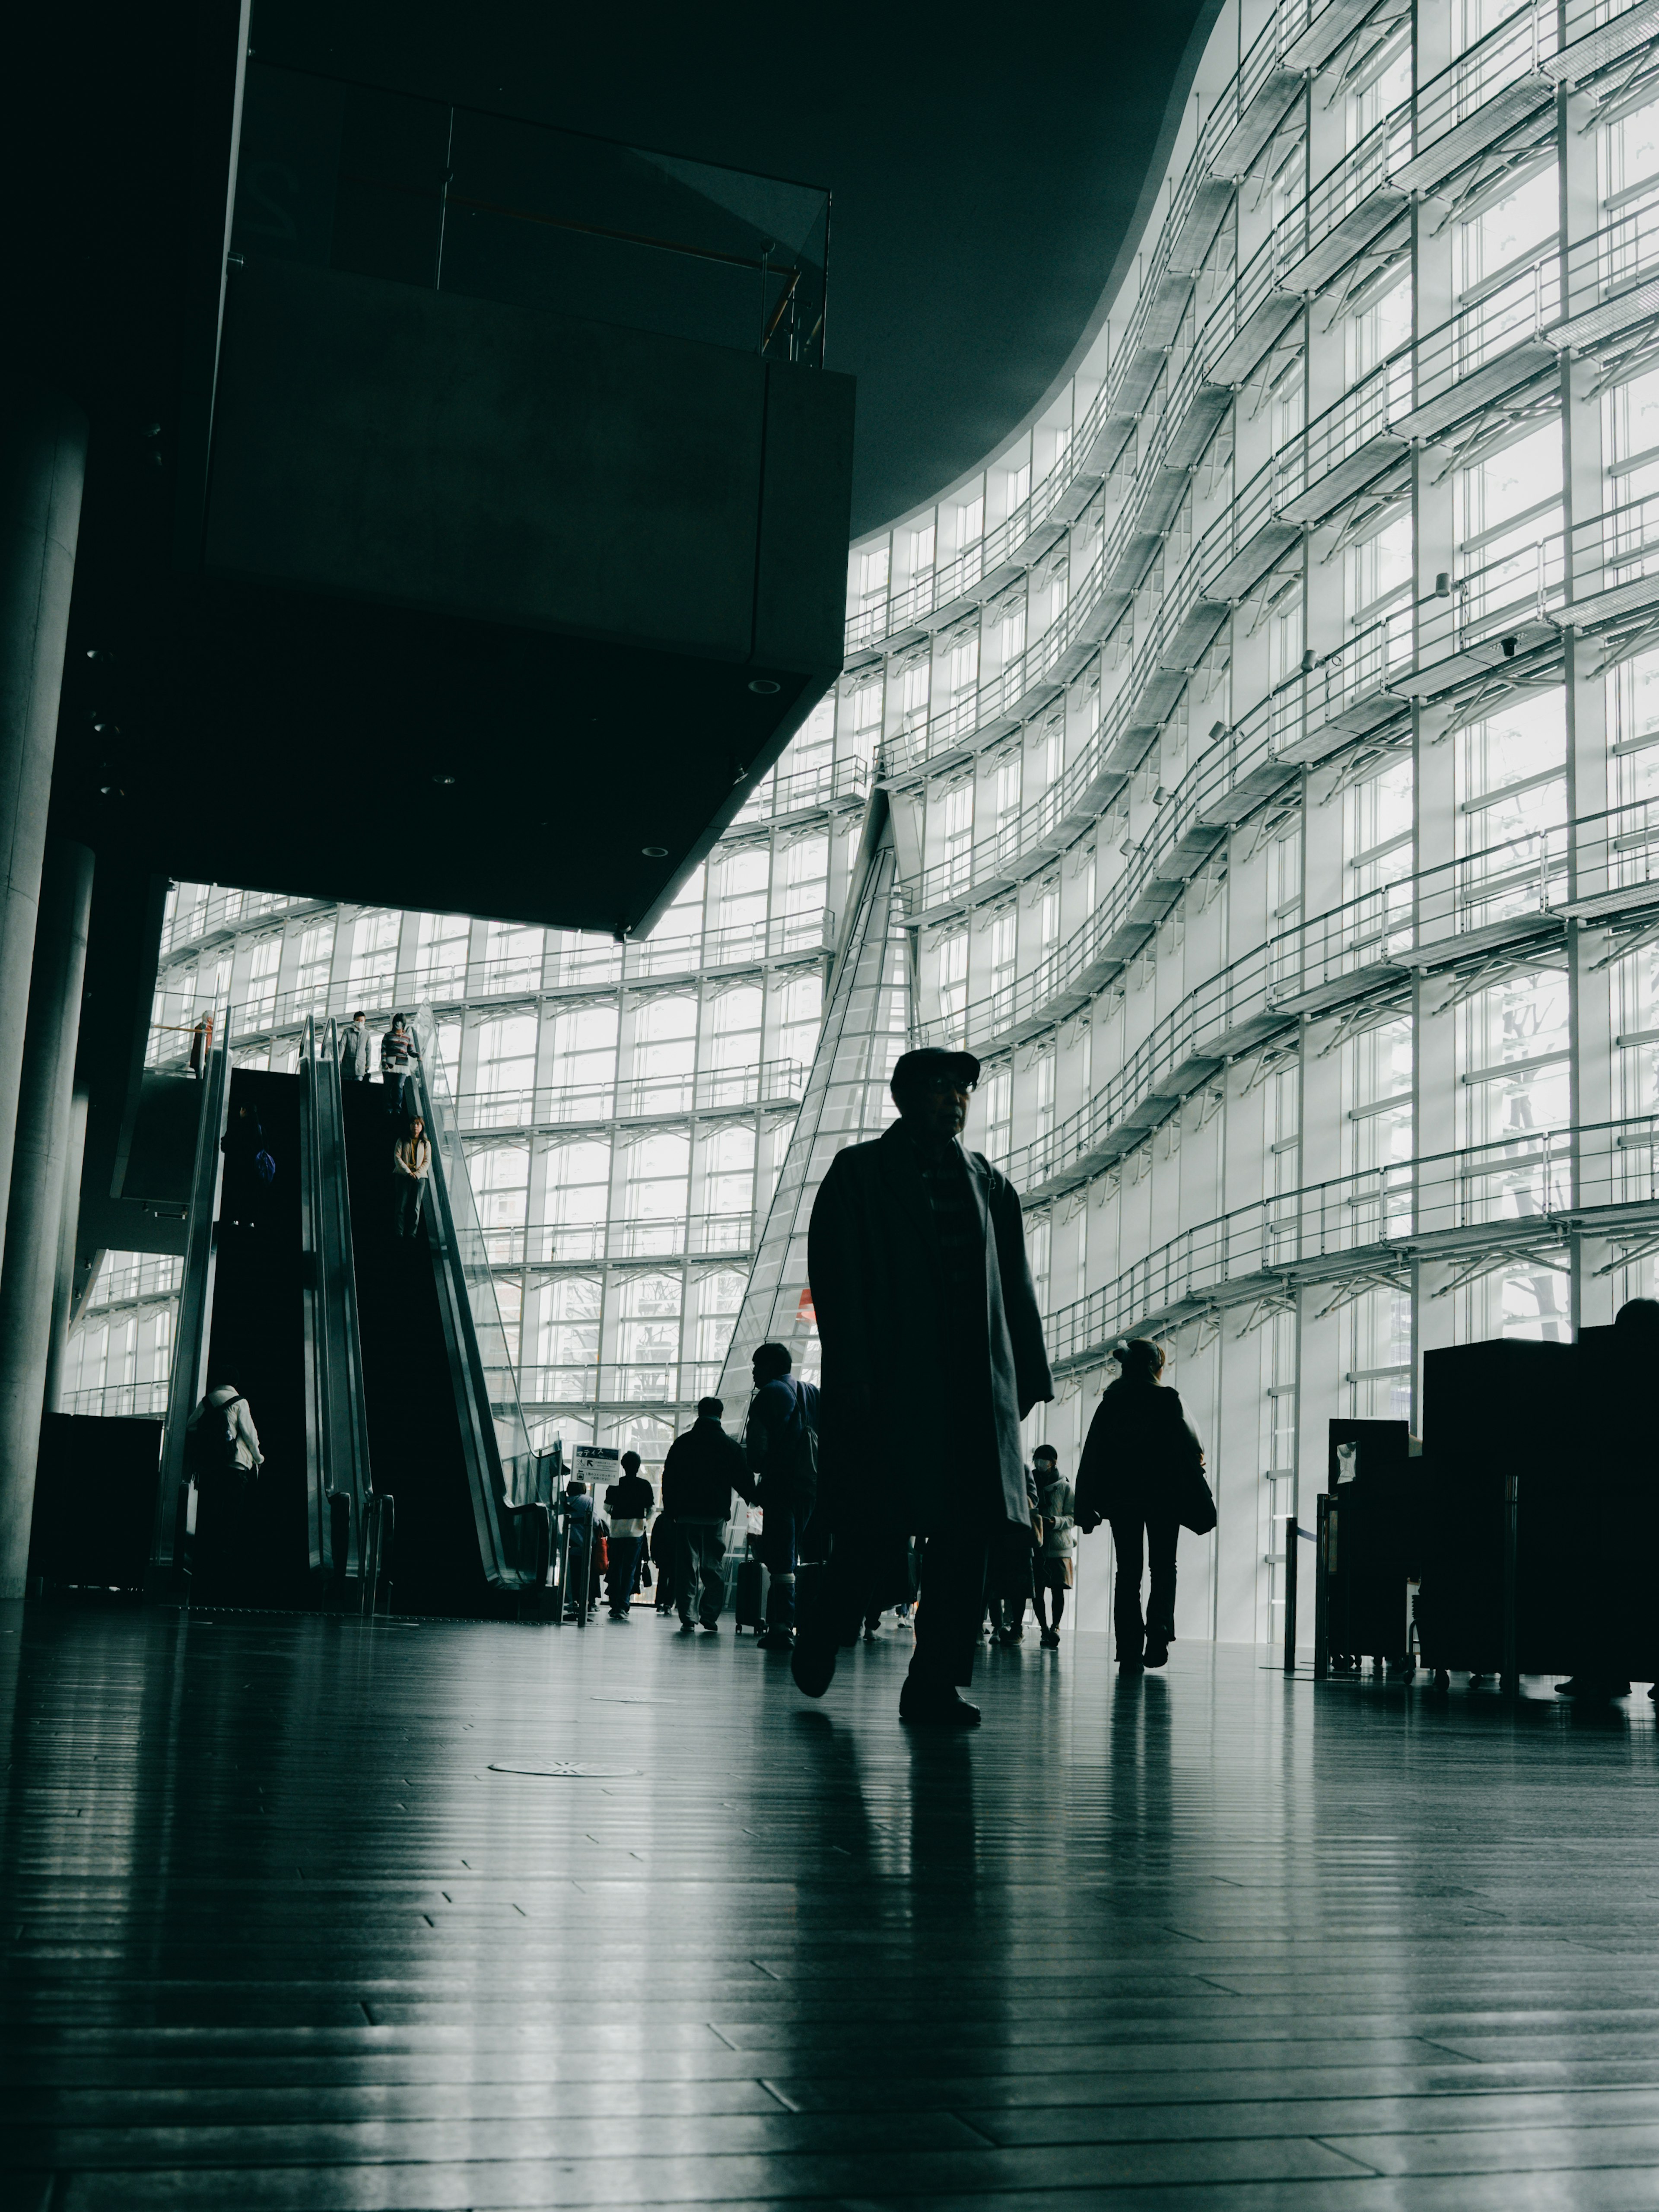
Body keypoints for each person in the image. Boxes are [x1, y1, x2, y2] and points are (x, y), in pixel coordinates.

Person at [793, 1044, 1054, 1728]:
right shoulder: (860, 1174)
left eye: (962, 1090)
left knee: (964, 1543)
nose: (955, 1099)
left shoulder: (990, 1185)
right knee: (870, 1529)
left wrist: (1024, 1378)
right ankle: (826, 1627)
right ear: (905, 1098)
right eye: (939, 1088)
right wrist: (850, 1371)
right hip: (893, 1383)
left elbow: (1015, 1291)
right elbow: (837, 1279)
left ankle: (933, 1682)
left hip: (972, 1392)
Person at [1075, 1338, 1202, 1672]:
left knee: (1128, 1573)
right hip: (1164, 1497)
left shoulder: (1111, 1402)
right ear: (1155, 1366)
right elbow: (1191, 1450)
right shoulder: (1167, 1399)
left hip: (1122, 1500)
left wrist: (1087, 1502)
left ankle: (1130, 1650)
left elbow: (1094, 1456)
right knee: (1164, 1567)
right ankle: (1159, 1630)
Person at [742, 1342, 819, 1653]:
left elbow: (758, 1454)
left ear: (772, 1367)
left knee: (780, 1558)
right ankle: (803, 1620)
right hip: (811, 1486)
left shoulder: (770, 1394)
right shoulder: (811, 1392)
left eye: (757, 1366)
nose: (753, 1373)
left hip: (780, 1487)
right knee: (800, 1554)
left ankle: (781, 1626)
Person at [661, 1397, 745, 1633]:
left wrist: (671, 1511)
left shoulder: (683, 1443)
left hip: (686, 1514)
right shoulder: (728, 1445)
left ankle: (688, 1616)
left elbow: (669, 1479)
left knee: (688, 1566)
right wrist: (755, 1500)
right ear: (721, 1414)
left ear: (699, 1413)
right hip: (716, 1515)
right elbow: (743, 1478)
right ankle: (710, 1614)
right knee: (713, 1565)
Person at [1032, 1444, 1075, 1648]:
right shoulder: (1030, 1483)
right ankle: (1043, 1630)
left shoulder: (1065, 1486)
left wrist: (1054, 1522)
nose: (1041, 1464)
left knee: (1058, 1590)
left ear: (1053, 1462)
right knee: (1037, 1590)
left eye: (1045, 1460)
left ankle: (1055, 1627)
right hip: (1036, 1545)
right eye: (1038, 1459)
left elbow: (1073, 1517)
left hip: (1059, 1547)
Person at [604, 1451, 654, 1619]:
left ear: (623, 1466)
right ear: (638, 1467)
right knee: (630, 1569)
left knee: (616, 1568)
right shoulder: (645, 1485)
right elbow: (651, 1509)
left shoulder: (615, 1484)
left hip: (617, 1532)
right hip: (636, 1532)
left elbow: (607, 1508)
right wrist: (643, 1520)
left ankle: (614, 1603)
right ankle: (623, 1606)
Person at [220, 1101, 270, 1229]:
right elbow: (266, 1149)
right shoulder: (260, 1130)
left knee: (236, 1192)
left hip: (238, 1167)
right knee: (252, 1195)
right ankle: (250, 1221)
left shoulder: (237, 1126)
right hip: (254, 1169)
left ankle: (234, 1219)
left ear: (244, 1110)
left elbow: (226, 1146)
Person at [391, 1114, 431, 1239]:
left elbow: (427, 1161)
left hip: (420, 1178)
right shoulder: (402, 1140)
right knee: (401, 1205)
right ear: (409, 1126)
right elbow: (397, 1158)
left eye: (418, 1124)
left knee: (415, 1207)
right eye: (413, 1123)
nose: (416, 1126)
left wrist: (417, 1174)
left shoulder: (426, 1144)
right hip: (403, 1176)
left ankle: (412, 1233)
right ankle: (399, 1231)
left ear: (422, 1127)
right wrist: (408, 1173)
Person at [562, 1479, 593, 1621]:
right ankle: (585, 1602)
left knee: (570, 1574)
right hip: (584, 1544)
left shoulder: (564, 1501)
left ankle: (571, 1600)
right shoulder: (588, 1501)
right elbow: (596, 1522)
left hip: (568, 1544)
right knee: (584, 1574)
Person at [381, 1014, 419, 1117]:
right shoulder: (388, 1035)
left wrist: (417, 1055)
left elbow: (411, 1051)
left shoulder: (408, 1037)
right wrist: (384, 1062)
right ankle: (388, 1108)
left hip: (403, 1065)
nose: (398, 1024)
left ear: (404, 1023)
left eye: (401, 1022)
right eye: (397, 1021)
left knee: (398, 1086)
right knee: (388, 1086)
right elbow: (384, 1049)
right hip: (389, 1064)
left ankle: (397, 1108)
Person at [339, 1010, 372, 1082]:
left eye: (362, 1020)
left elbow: (368, 1049)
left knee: (358, 1086)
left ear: (364, 1021)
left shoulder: (367, 1033)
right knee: (346, 1084)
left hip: (361, 1064)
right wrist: (340, 1058)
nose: (360, 1022)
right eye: (358, 1020)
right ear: (354, 1020)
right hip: (347, 1063)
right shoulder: (348, 1031)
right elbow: (343, 1044)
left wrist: (368, 1063)